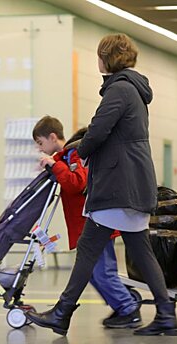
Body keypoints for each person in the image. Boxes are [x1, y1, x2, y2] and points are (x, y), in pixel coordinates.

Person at [26, 33, 177, 336]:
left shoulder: (119, 89)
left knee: (88, 249)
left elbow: (97, 132)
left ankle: (62, 312)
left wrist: (76, 154)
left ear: (107, 58)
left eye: (98, 55)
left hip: (118, 184)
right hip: (132, 181)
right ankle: (166, 314)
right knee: (140, 251)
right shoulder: (132, 88)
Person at [32, 115, 141, 329]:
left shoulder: (73, 154)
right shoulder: (66, 156)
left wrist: (54, 166)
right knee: (91, 273)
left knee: (101, 272)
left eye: (40, 143)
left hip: (95, 224)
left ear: (53, 137)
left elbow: (78, 182)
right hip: (90, 224)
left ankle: (128, 308)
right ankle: (122, 306)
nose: (40, 149)